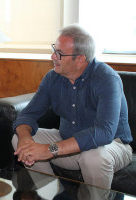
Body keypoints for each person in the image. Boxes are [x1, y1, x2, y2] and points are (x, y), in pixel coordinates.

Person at [12, 24, 133, 191]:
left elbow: (104, 132)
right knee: (18, 138)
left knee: (93, 156)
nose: (52, 56)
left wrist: (50, 149)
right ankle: (51, 194)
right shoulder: (52, 78)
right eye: (55, 49)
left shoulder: (106, 79)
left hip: (112, 146)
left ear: (80, 59)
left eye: (59, 53)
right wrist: (25, 138)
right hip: (67, 142)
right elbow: (27, 115)